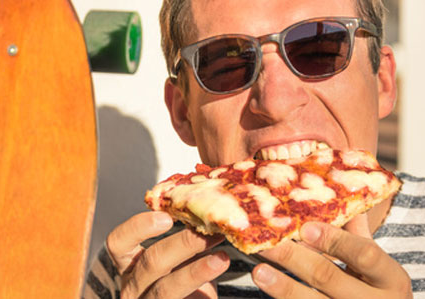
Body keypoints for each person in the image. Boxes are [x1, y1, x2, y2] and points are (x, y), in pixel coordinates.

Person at [83, 0, 425, 298]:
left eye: (318, 49)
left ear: (382, 82)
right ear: (183, 113)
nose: (275, 101)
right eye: (227, 64)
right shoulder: (137, 271)